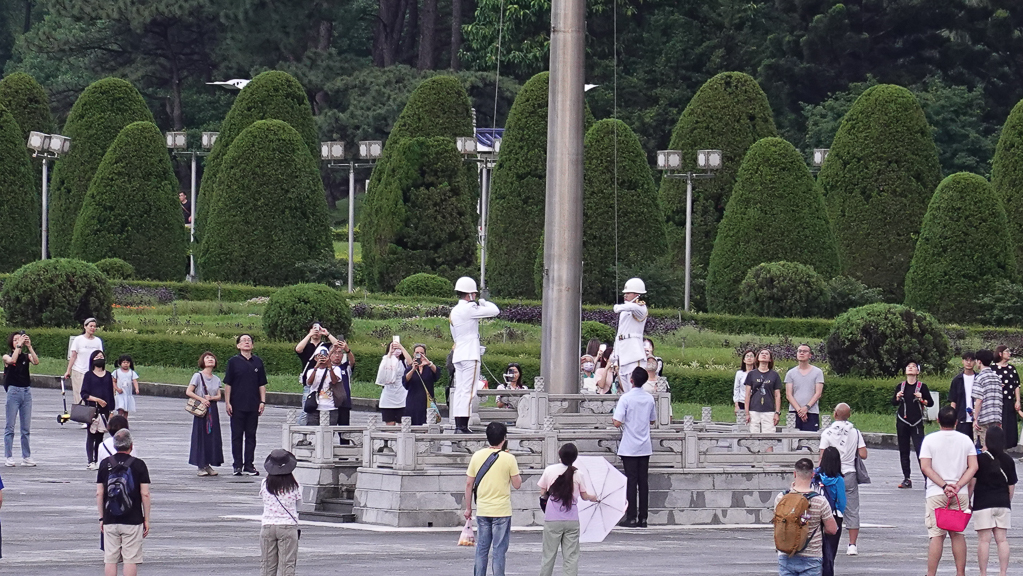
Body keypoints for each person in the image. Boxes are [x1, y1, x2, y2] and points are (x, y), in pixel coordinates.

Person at [920, 406, 979, 576]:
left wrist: (944, 486)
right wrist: (958, 485)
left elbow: (926, 467)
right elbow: (973, 466)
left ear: (938, 420)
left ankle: (931, 574)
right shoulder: (965, 440)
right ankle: (960, 573)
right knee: (957, 534)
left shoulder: (929, 440)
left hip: (936, 492)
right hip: (960, 494)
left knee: (937, 535)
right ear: (956, 422)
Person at [464, 422, 521, 576]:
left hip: (483, 509)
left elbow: (469, 484)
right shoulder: (509, 458)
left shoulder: (477, 456)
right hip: (502, 510)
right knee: (499, 550)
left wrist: (468, 508)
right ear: (504, 438)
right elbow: (517, 484)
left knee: (482, 549)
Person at [537, 443, 598, 576]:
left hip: (552, 518)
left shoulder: (549, 470)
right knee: (571, 556)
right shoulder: (578, 474)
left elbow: (542, 492)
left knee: (548, 555)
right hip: (572, 519)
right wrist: (594, 498)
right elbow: (584, 496)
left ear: (560, 454)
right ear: (575, 458)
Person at [97, 429, 151, 576]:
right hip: (133, 519)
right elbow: (145, 494)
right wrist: (146, 519)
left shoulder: (105, 464)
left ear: (115, 445)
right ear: (131, 446)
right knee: (130, 559)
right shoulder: (139, 465)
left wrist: (101, 517)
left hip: (110, 518)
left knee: (110, 559)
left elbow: (99, 493)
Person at [450, 277, 500, 434]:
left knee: (460, 390)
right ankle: (463, 426)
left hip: (459, 353)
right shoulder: (470, 308)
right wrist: (483, 302)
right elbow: (495, 310)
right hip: (470, 354)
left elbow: (456, 335)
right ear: (470, 294)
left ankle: (458, 425)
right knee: (469, 391)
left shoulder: (454, 310)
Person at [773, 458, 838, 576]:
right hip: (811, 556)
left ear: (794, 474)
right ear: (812, 475)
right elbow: (832, 529)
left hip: (786, 554)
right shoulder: (820, 500)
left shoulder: (781, 498)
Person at [818, 403, 867, 556]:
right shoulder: (855, 432)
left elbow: (822, 457)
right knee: (852, 509)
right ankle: (852, 545)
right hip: (849, 473)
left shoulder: (827, 433)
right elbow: (863, 454)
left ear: (835, 415)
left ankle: (826, 538)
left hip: (831, 475)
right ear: (849, 415)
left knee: (827, 507)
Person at [613, 367, 657, 527]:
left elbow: (617, 422)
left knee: (631, 481)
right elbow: (652, 420)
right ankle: (643, 517)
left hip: (629, 445)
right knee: (643, 481)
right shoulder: (649, 398)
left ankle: (631, 516)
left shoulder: (625, 398)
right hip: (644, 445)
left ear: (631, 380)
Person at [971, 426, 1016, 576]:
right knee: (1002, 540)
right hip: (1002, 503)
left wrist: (968, 500)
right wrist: (1007, 501)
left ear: (987, 440)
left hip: (983, 504)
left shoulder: (980, 460)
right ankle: (1002, 573)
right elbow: (1011, 486)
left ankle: (983, 573)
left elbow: (972, 483)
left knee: (984, 541)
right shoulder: (1008, 460)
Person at [224, 334, 267, 476]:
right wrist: (227, 402)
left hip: (253, 404)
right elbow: (228, 384)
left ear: (252, 345)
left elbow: (262, 384)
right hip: (237, 404)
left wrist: (262, 401)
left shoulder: (258, 362)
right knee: (237, 436)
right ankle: (237, 465)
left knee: (251, 436)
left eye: (249, 340)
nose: (247, 342)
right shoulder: (233, 362)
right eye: (243, 340)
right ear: (238, 345)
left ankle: (249, 465)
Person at [892, 361, 934, 489]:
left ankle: (927, 478)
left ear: (918, 371)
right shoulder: (900, 386)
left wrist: (922, 399)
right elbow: (893, 402)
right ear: (905, 371)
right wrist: (897, 397)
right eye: (908, 367)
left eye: (914, 366)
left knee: (921, 450)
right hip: (902, 421)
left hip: (916, 422)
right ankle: (907, 478)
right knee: (903, 450)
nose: (911, 368)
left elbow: (930, 403)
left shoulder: (922, 386)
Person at [260, 449, 301, 576]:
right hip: (288, 526)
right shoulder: (295, 485)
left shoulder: (264, 483)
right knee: (287, 565)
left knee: (267, 565)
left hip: (267, 526)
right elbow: (299, 505)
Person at [294, 323, 340, 426]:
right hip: (310, 382)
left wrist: (327, 333)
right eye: (314, 329)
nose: (316, 331)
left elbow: (337, 345)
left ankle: (311, 431)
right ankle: (301, 431)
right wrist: (309, 335)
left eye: (318, 329)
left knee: (320, 412)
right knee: (307, 410)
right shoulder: (306, 346)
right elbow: (298, 349)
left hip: (325, 382)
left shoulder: (325, 346)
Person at [4, 331, 38, 467]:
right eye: (15, 340)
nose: (18, 341)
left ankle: (26, 456)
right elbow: (12, 360)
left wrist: (29, 346)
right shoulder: (7, 356)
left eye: (20, 339)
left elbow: (36, 361)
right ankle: (9, 456)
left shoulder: (26, 356)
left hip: (26, 391)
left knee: (25, 428)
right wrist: (18, 346)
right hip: (13, 391)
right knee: (10, 426)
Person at [187, 351, 224, 477]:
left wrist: (211, 398)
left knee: (212, 436)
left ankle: (208, 464)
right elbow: (189, 391)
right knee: (200, 436)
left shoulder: (217, 379)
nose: (210, 359)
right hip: (201, 409)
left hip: (212, 409)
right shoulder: (197, 376)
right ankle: (200, 465)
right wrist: (202, 399)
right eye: (207, 358)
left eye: (212, 357)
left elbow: (219, 395)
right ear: (202, 361)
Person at [814, 447, 847, 576]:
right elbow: (842, 502)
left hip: (816, 514)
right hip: (833, 516)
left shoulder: (816, 475)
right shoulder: (838, 479)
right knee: (830, 551)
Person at [611, 278, 648, 392]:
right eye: (625, 293)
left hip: (633, 353)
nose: (625, 295)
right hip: (623, 351)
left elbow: (632, 307)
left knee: (634, 385)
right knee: (625, 386)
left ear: (637, 294)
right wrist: (615, 352)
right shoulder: (625, 310)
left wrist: (618, 307)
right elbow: (619, 334)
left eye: (628, 293)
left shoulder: (640, 308)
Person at [82, 350, 114, 470]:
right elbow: (84, 394)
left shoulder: (108, 375)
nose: (99, 358)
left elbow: (111, 394)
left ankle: (98, 459)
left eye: (101, 357)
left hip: (104, 410)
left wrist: (111, 410)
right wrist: (97, 400)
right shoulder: (88, 375)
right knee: (91, 435)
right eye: (97, 357)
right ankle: (91, 461)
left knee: (100, 436)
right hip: (92, 409)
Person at [65, 317, 104, 408]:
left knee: (92, 394)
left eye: (94, 326)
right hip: (79, 370)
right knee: (79, 394)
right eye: (91, 326)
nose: (93, 328)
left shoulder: (97, 341)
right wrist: (68, 371)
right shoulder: (78, 339)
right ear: (85, 326)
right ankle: (80, 413)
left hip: (93, 372)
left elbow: (100, 357)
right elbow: (73, 356)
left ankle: (91, 413)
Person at [785, 344, 825, 432]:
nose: (802, 353)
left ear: (810, 355)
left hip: (812, 412)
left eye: (805, 351)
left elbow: (818, 393)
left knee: (810, 438)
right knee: (793, 439)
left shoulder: (818, 372)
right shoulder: (790, 373)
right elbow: (788, 394)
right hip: (794, 412)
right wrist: (799, 410)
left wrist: (806, 408)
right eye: (800, 351)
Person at [305, 346, 347, 427]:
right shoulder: (311, 371)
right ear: (315, 358)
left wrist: (329, 366)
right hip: (315, 406)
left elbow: (334, 381)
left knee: (328, 432)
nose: (322, 358)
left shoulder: (336, 369)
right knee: (312, 431)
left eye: (325, 356)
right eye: (319, 356)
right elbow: (309, 383)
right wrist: (316, 367)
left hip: (331, 407)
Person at [744, 349, 781, 434]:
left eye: (766, 354)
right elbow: (747, 394)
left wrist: (777, 412)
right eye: (762, 353)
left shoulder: (774, 375)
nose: (764, 355)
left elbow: (777, 395)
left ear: (770, 359)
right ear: (757, 358)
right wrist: (747, 413)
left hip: (769, 410)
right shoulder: (751, 374)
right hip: (754, 409)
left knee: (769, 436)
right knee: (754, 435)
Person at [376, 340, 411, 425]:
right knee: (390, 426)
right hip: (388, 398)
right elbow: (382, 369)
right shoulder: (386, 360)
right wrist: (390, 353)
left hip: (402, 397)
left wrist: (401, 347)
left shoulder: (403, 362)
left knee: (402, 425)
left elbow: (411, 363)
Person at [973, 349, 1003, 448]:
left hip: (983, 418)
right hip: (996, 417)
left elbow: (979, 400)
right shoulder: (997, 378)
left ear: (979, 361)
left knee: (983, 446)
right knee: (995, 446)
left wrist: (975, 418)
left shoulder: (980, 378)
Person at [404, 344, 439, 425]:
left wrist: (429, 363)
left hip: (427, 402)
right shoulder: (409, 368)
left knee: (428, 424)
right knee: (413, 425)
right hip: (413, 402)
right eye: (417, 353)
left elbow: (437, 374)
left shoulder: (429, 368)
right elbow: (405, 381)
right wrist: (413, 369)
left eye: (422, 353)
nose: (419, 355)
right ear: (413, 354)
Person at [993, 345, 1020, 449]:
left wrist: (1017, 400)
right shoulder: (992, 368)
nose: (1009, 353)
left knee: (1009, 424)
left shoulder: (1012, 368)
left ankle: (1008, 446)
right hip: (996, 402)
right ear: (1000, 354)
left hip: (1009, 401)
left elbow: (1016, 385)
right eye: (1007, 351)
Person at [948, 351, 977, 440]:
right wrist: (953, 418)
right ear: (962, 361)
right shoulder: (957, 380)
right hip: (961, 419)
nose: (969, 362)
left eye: (971, 360)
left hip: (977, 419)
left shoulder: (979, 378)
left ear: (975, 362)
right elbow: (953, 401)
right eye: (966, 360)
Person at [329, 343, 354, 431]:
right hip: (330, 403)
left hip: (344, 403)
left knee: (344, 431)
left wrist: (347, 350)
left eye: (339, 353)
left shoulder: (345, 367)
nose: (337, 355)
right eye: (334, 353)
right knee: (329, 431)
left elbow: (352, 362)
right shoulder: (326, 368)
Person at [733, 349, 755, 416]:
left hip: (755, 403)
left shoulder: (757, 373)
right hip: (742, 401)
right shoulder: (739, 373)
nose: (749, 358)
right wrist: (736, 405)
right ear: (744, 360)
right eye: (747, 356)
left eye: (751, 356)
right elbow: (736, 389)